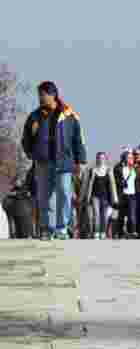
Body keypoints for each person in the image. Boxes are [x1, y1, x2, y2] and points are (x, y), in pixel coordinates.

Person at [21, 81, 87, 240]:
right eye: (39, 95)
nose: (40, 98)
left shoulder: (69, 115)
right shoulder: (34, 116)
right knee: (44, 196)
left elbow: (78, 139)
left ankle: (62, 228)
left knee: (64, 193)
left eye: (43, 95)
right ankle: (46, 228)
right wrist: (31, 153)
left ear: (53, 95)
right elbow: (26, 138)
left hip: (63, 161)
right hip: (43, 161)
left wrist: (80, 161)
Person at [79, 152, 118, 239]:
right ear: (97, 159)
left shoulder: (109, 170)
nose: (101, 160)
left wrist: (115, 199)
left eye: (103, 158)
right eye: (99, 158)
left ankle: (103, 232)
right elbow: (85, 185)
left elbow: (113, 185)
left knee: (104, 215)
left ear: (105, 159)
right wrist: (82, 197)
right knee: (96, 214)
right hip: (94, 196)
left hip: (106, 197)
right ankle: (96, 232)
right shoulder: (92, 171)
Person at [114, 151, 137, 239]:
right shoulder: (119, 168)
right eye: (129, 157)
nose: (131, 159)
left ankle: (132, 232)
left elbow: (137, 180)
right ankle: (120, 233)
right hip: (123, 194)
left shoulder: (135, 168)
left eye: (132, 157)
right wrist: (122, 183)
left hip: (132, 194)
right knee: (121, 215)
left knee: (131, 215)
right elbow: (116, 180)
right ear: (125, 158)